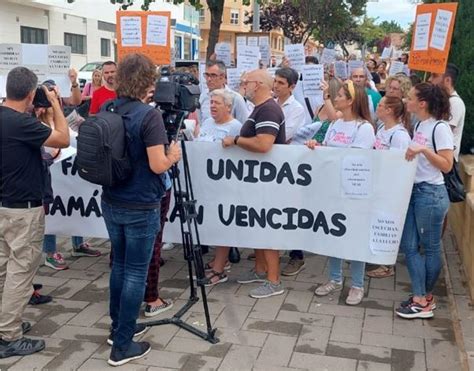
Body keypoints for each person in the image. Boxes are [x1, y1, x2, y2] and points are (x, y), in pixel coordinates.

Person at [100, 54, 181, 366]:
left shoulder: (110, 107)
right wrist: (172, 154)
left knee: (119, 266)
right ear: (148, 81)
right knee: (134, 271)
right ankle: (122, 346)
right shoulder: (149, 116)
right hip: (141, 203)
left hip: (112, 200)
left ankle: (117, 327)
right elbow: (157, 163)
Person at [0, 66, 69, 358]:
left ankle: (4, 323)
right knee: (21, 271)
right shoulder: (21, 124)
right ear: (30, 94)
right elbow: (63, 139)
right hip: (22, 210)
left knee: (3, 269)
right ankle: (8, 335)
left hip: (3, 206)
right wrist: (54, 104)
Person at [306, 80, 375, 306]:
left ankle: (357, 284)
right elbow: (327, 151)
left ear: (351, 101)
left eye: (340, 95)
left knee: (354, 238)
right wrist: (316, 147)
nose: (336, 98)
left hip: (353, 194)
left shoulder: (364, 128)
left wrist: (329, 154)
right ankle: (334, 278)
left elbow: (357, 161)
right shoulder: (335, 124)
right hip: (332, 190)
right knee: (332, 235)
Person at [222, 69, 286, 299]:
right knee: (258, 227)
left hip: (268, 182)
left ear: (258, 84)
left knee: (267, 229)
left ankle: (273, 280)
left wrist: (236, 140)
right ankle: (260, 270)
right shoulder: (260, 108)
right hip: (258, 179)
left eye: (245, 82)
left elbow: (264, 144)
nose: (243, 85)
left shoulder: (268, 108)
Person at [395, 83, 453, 319]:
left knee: (430, 248)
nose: (405, 101)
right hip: (416, 191)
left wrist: (423, 151)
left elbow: (447, 165)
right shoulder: (420, 124)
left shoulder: (440, 128)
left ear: (422, 103)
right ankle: (421, 296)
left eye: (409, 98)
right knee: (408, 246)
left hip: (430, 194)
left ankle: (423, 300)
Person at [194, 89, 242, 286]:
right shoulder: (206, 123)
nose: (212, 106)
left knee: (223, 225)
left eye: (217, 103)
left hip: (225, 186)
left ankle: (219, 270)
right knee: (212, 225)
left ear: (229, 107)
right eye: (211, 102)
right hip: (205, 185)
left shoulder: (236, 127)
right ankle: (218, 260)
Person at [428, 63, 466, 162]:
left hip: (445, 161)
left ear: (447, 80)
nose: (429, 79)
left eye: (434, 76)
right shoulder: (442, 101)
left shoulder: (455, 103)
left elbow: (443, 132)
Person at [199, 60, 250, 125]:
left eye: (213, 75)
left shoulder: (236, 98)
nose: (209, 79)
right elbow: (200, 123)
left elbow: (244, 124)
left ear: (222, 77)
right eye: (207, 75)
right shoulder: (203, 96)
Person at [273, 67, 305, 142]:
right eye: (275, 81)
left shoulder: (297, 108)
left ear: (292, 87)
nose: (275, 86)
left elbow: (283, 136)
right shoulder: (270, 103)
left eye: (281, 83)